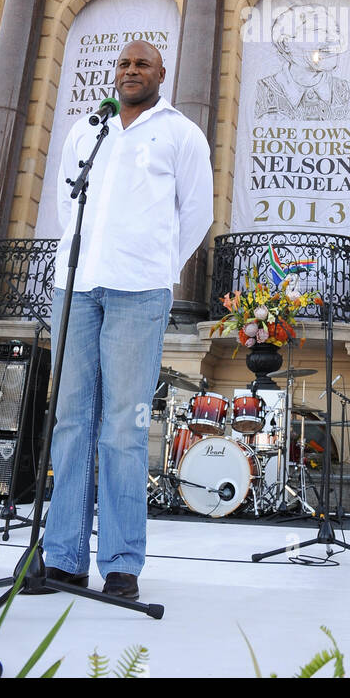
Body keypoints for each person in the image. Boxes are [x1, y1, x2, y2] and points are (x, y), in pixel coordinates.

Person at [42, 40, 214, 599]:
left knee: (123, 427)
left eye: (142, 64)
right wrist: (89, 255)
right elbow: (68, 204)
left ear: (162, 74)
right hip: (77, 287)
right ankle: (62, 558)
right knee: (70, 423)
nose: (131, 70)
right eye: (123, 63)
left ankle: (121, 564)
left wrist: (157, 267)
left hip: (138, 293)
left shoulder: (181, 133)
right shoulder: (86, 130)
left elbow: (197, 212)